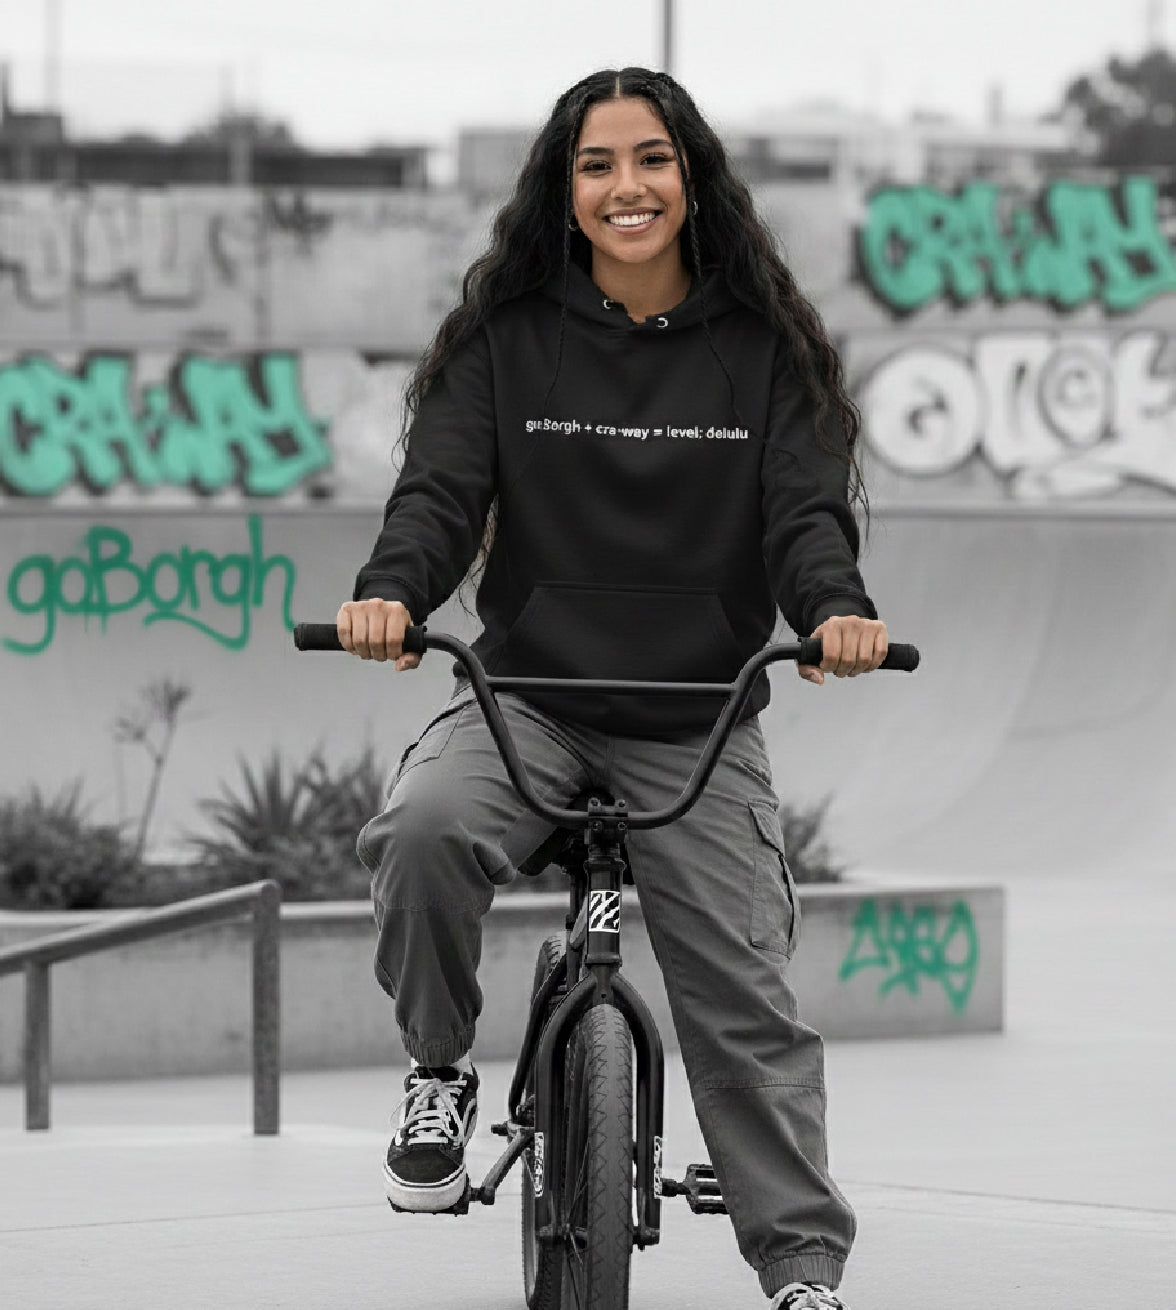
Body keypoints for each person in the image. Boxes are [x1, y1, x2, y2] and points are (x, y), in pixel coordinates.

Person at [338, 66, 889, 1310]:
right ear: (566, 188)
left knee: (744, 996)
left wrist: (836, 612)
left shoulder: (765, 352)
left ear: (691, 179)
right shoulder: (506, 339)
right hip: (525, 697)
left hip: (694, 715)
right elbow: (437, 493)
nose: (626, 186)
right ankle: (437, 1068)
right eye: (597, 165)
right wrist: (394, 591)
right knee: (421, 832)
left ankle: (800, 1268)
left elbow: (806, 519)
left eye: (651, 160)